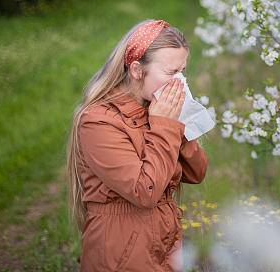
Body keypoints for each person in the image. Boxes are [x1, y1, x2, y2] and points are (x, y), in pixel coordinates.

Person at [65, 19, 209, 271]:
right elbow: (145, 191)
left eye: (182, 71)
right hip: (123, 250)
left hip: (166, 242)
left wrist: (181, 123)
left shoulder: (155, 110)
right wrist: (164, 125)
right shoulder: (98, 120)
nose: (180, 82)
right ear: (136, 70)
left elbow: (196, 172)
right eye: (171, 72)